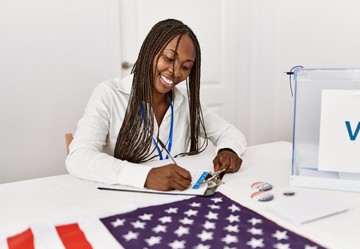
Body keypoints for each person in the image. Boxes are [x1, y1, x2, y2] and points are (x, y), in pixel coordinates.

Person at [66, 19, 246, 191]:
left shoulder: (186, 101)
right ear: (149, 52)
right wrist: (146, 176)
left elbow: (229, 133)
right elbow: (79, 157)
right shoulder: (109, 94)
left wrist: (228, 150)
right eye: (169, 58)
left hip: (176, 197)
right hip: (123, 199)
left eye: (185, 67)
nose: (175, 72)